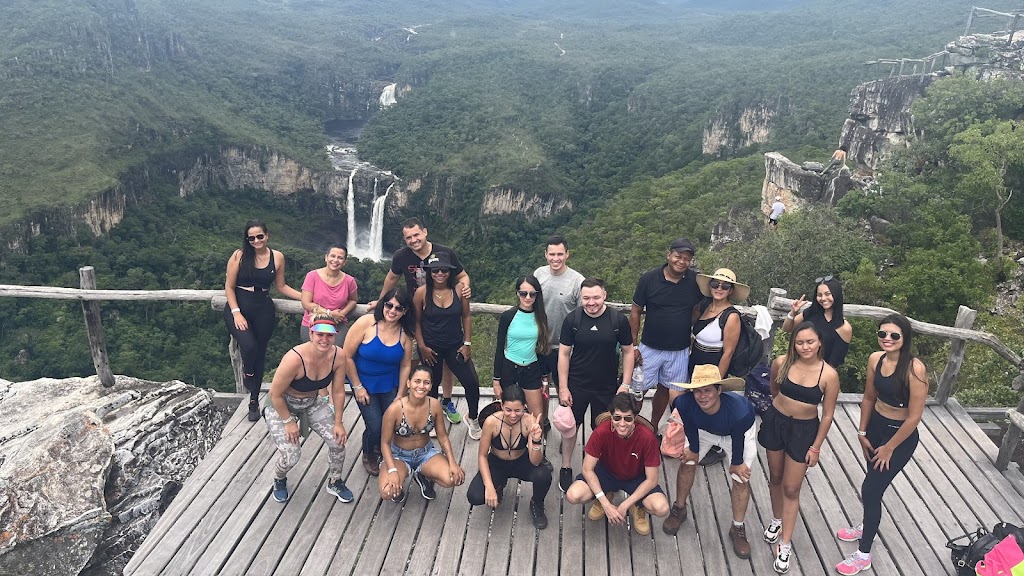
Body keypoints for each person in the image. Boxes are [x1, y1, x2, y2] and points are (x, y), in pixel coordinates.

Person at [835, 314, 927, 575]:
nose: (887, 339)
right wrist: (862, 431)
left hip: (899, 437)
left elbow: (915, 417)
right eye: (882, 334)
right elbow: (868, 398)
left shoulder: (914, 369)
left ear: (905, 338)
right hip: (875, 427)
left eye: (894, 335)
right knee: (872, 485)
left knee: (871, 490)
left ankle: (863, 554)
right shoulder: (876, 359)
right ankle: (868, 525)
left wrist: (889, 447)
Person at [374, 217, 472, 425]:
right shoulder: (401, 256)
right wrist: (382, 301)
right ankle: (408, 399)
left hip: (440, 312)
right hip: (412, 312)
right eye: (408, 237)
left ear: (425, 232)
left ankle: (446, 401)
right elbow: (391, 278)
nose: (413, 240)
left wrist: (464, 289)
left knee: (445, 362)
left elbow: (462, 275)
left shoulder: (444, 252)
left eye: (416, 235)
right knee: (412, 357)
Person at [759, 322, 840, 573]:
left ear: (820, 343)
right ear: (793, 343)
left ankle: (785, 544)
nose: (805, 347)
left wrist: (816, 447)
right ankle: (776, 519)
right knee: (775, 476)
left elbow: (827, 415)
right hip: (776, 422)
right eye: (800, 342)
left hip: (804, 430)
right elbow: (774, 389)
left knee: (792, 488)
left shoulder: (829, 375)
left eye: (810, 342)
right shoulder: (782, 362)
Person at [661, 364, 756, 560]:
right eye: (697, 391)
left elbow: (738, 437)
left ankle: (737, 528)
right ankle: (679, 508)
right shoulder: (683, 403)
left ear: (719, 390)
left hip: (737, 434)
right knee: (687, 463)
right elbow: (689, 425)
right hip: (703, 431)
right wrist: (694, 451)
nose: (702, 396)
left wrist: (737, 462)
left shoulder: (741, 411)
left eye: (707, 390)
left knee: (740, 478)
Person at [557, 277, 634, 493]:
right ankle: (566, 466)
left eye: (596, 297)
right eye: (586, 298)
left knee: (603, 428)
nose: (591, 303)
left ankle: (598, 466)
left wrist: (625, 384)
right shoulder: (573, 319)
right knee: (571, 427)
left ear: (604, 295)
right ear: (581, 298)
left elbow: (628, 351)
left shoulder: (617, 320)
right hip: (577, 384)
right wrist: (563, 387)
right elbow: (563, 354)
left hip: (606, 386)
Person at [264, 315, 352, 504]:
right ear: (311, 334)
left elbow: (338, 391)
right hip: (282, 404)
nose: (324, 340)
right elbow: (275, 394)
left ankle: (335, 481)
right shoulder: (294, 359)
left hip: (311, 401)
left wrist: (338, 422)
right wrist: (288, 422)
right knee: (291, 456)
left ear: (335, 336)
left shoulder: (338, 356)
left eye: (329, 335)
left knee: (338, 442)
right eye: (320, 334)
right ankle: (279, 478)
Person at [223, 219, 302, 421]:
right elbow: (229, 287)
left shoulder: (277, 257)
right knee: (249, 346)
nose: (256, 241)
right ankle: (247, 372)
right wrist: (236, 312)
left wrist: (306, 298)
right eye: (251, 238)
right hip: (239, 305)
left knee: (259, 353)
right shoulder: (239, 256)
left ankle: (253, 401)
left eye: (260, 236)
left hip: (263, 307)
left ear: (267, 235)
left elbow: (281, 286)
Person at [565, 393, 669, 536]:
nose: (622, 423)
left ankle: (637, 505)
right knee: (573, 495)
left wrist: (624, 505)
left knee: (661, 508)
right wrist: (606, 504)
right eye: (617, 417)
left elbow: (652, 480)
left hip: (636, 478)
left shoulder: (647, 438)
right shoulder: (601, 431)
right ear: (611, 416)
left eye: (628, 418)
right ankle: (604, 496)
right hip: (606, 473)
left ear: (635, 418)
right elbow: (587, 469)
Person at [630, 238, 702, 429]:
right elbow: (635, 311)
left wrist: (691, 329)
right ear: (668, 255)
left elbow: (698, 309)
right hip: (649, 347)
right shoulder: (649, 279)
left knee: (665, 389)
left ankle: (653, 427)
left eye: (687, 259)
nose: (682, 261)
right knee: (637, 390)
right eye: (678, 256)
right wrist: (634, 345)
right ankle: (632, 427)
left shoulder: (695, 281)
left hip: (679, 350)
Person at [344, 287, 414, 476]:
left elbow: (405, 365)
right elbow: (347, 356)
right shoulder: (366, 323)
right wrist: (357, 386)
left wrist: (401, 394)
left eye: (398, 308)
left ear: (405, 311)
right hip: (363, 382)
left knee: (390, 422)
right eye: (389, 305)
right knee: (375, 425)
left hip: (390, 383)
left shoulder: (405, 334)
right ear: (383, 305)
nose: (392, 311)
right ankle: (369, 453)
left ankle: (381, 447)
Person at [413, 252, 482, 439]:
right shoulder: (422, 293)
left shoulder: (459, 290)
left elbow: (466, 316)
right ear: (430, 272)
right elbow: (416, 322)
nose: (440, 273)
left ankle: (473, 417)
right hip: (431, 348)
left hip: (455, 345)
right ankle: (431, 420)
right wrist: (422, 347)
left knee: (471, 382)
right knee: (431, 385)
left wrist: (467, 343)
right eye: (435, 270)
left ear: (450, 272)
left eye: (444, 269)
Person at [467, 385, 552, 529]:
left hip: (521, 460)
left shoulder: (529, 422)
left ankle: (536, 503)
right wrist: (489, 487)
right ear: (501, 406)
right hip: (497, 463)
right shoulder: (491, 422)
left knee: (544, 475)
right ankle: (498, 485)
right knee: (475, 496)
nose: (513, 415)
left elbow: (535, 461)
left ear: (524, 407)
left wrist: (536, 440)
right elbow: (482, 456)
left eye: (518, 410)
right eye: (508, 410)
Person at [379, 366, 466, 503]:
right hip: (399, 455)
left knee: (454, 479)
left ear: (431, 386)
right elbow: (384, 443)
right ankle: (399, 482)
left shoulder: (434, 405)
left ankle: (422, 474)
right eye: (417, 381)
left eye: (426, 382)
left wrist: (453, 463)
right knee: (387, 492)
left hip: (425, 453)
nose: (421, 386)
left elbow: (443, 437)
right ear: (408, 383)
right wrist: (392, 470)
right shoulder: (394, 409)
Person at [533, 235, 585, 434]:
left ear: (567, 254)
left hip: (565, 347)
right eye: (552, 254)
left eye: (560, 254)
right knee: (540, 387)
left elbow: (582, 315)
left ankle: (567, 429)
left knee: (564, 389)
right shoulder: (539, 274)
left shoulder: (577, 281)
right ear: (545, 255)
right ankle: (543, 422)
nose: (556, 258)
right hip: (539, 343)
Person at [492, 275, 550, 429]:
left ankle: (536, 442)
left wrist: (544, 378)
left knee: (537, 419)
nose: (528, 297)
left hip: (531, 369)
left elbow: (542, 348)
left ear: (537, 295)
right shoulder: (508, 316)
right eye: (524, 293)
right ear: (517, 293)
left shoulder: (541, 316)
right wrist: (496, 380)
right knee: (510, 415)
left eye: (532, 294)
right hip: (509, 368)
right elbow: (499, 347)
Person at [782, 275, 853, 368]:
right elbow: (787, 328)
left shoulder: (844, 328)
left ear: (836, 294)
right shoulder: (812, 312)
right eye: (819, 295)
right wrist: (793, 313)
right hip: (796, 364)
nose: (823, 298)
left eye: (827, 294)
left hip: (819, 371)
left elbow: (834, 363)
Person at [691, 268, 750, 379]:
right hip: (694, 363)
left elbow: (728, 352)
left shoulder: (731, 316)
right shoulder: (703, 306)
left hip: (713, 367)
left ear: (730, 291)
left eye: (725, 286)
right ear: (710, 286)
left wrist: (717, 380)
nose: (719, 288)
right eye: (715, 284)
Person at [300, 244, 358, 343]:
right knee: (311, 352)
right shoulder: (312, 276)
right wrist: (329, 314)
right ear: (326, 257)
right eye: (333, 256)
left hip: (337, 325)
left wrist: (341, 314)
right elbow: (306, 303)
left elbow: (353, 300)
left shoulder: (349, 281)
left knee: (335, 352)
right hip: (313, 323)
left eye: (340, 258)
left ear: (344, 262)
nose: (335, 260)